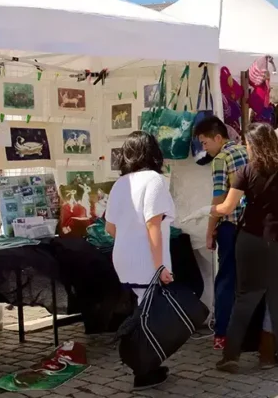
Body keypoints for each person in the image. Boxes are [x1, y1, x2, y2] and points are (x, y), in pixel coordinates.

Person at [212, 123, 278, 373]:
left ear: (254, 145)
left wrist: (211, 210)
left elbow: (228, 207)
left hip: (251, 238)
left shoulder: (246, 171)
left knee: (245, 298)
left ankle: (231, 356)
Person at [104, 131, 176, 390]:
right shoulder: (154, 180)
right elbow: (153, 225)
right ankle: (144, 371)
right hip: (147, 259)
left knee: (141, 313)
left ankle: (148, 366)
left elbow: (110, 228)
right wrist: (160, 267)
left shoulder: (120, 183)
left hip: (123, 257)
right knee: (150, 317)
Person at [193, 116, 248, 351]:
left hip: (230, 225)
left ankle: (223, 332)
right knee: (247, 280)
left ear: (218, 138)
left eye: (205, 143)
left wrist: (209, 230)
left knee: (225, 279)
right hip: (252, 226)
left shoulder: (221, 159)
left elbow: (218, 197)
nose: (204, 148)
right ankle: (248, 329)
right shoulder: (246, 152)